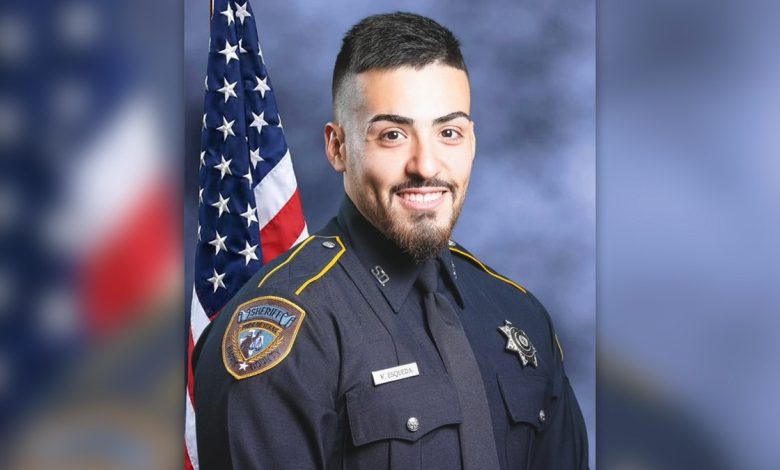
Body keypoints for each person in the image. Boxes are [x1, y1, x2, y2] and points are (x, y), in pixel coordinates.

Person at [194, 12, 589, 469]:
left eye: (448, 132)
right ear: (338, 147)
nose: (426, 164)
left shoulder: (519, 315)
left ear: (472, 142)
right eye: (393, 135)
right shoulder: (289, 337)